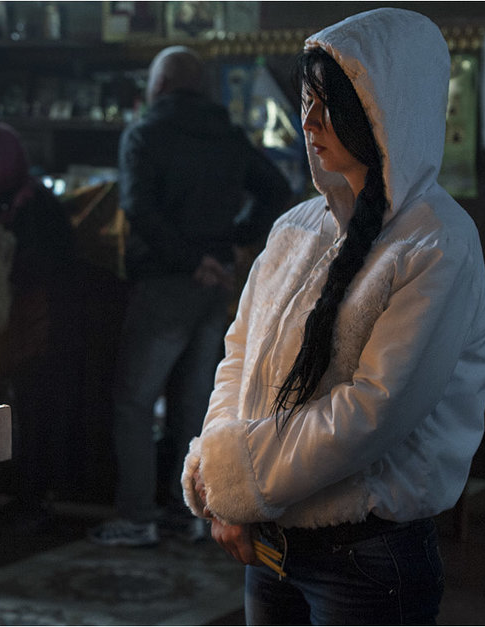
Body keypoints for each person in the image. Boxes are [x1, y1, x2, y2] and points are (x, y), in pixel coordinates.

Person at [180, 9, 485, 624]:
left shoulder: (437, 243)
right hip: (273, 547)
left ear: (388, 112)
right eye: (308, 99)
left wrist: (235, 484)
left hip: (367, 558)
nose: (310, 120)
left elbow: (372, 410)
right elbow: (238, 358)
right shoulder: (295, 228)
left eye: (334, 104)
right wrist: (217, 473)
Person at [88, 46, 291, 547]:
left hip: (166, 282)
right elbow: (277, 188)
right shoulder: (226, 133)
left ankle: (137, 516)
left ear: (157, 86)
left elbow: (137, 207)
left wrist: (186, 260)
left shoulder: (145, 133)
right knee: (193, 405)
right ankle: (190, 515)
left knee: (135, 402)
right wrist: (232, 243)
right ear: (200, 87)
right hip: (215, 283)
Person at [0, 121, 80, 532]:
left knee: (35, 413)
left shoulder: (36, 205)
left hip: (37, 324)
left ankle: (32, 500)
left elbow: (55, 264)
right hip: (2, 324)